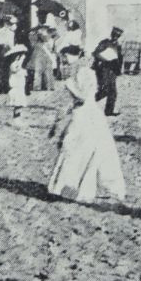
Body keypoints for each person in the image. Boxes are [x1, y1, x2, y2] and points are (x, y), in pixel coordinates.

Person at [47, 45, 126, 202]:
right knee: (77, 149)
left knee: (78, 149)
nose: (64, 60)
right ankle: (69, 188)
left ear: (75, 55)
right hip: (84, 113)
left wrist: (70, 86)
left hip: (86, 115)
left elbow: (83, 96)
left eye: (66, 56)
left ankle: (74, 188)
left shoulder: (84, 72)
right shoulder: (79, 71)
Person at [92, 27, 126, 117]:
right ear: (112, 35)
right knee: (104, 90)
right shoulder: (105, 43)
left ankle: (109, 111)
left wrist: (118, 70)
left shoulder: (118, 46)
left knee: (113, 92)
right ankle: (88, 102)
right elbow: (95, 53)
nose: (116, 37)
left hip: (112, 70)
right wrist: (106, 59)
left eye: (118, 36)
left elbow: (119, 59)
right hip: (103, 69)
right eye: (115, 35)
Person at [28, 26, 57, 93]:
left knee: (44, 70)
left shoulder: (43, 36)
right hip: (40, 53)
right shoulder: (35, 37)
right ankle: (43, 86)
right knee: (42, 70)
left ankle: (46, 86)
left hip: (42, 53)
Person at [6, 45, 30, 117]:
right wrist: (20, 61)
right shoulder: (13, 64)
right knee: (17, 104)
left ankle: (18, 117)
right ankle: (16, 118)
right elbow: (15, 69)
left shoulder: (19, 65)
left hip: (20, 87)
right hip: (15, 87)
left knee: (20, 104)